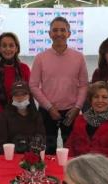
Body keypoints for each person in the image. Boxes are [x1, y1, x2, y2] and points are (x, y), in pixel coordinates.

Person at [29, 16, 88, 155]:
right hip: (47, 112)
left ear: (69, 33)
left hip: (71, 112)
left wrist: (77, 107)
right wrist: (49, 107)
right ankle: (48, 176)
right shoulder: (40, 58)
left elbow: (84, 85)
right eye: (55, 30)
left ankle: (70, 176)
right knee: (47, 150)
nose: (59, 33)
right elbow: (33, 85)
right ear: (49, 34)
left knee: (72, 150)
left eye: (63, 30)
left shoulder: (78, 57)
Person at [66, 81, 108, 160]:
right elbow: (70, 146)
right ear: (91, 100)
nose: (100, 100)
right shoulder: (80, 119)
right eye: (96, 97)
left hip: (105, 167)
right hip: (78, 164)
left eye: (104, 97)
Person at [0, 32, 31, 133]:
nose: (8, 49)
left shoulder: (24, 68)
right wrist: (4, 114)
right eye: (4, 46)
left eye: (11, 45)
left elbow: (29, 93)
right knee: (0, 148)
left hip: (21, 117)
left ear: (16, 48)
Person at [0, 81, 45, 154]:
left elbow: (42, 137)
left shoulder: (36, 116)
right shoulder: (3, 116)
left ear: (29, 96)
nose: (20, 98)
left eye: (23, 94)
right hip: (10, 157)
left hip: (31, 157)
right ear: (12, 97)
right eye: (16, 95)